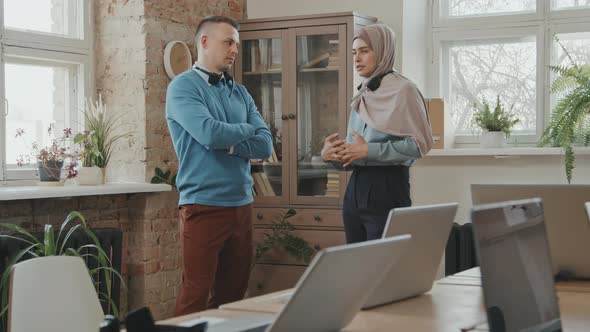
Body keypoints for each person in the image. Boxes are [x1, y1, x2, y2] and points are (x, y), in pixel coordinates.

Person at [165, 15, 272, 316]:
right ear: (204, 41)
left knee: (234, 296)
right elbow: (209, 134)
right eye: (228, 42)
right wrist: (246, 130)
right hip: (202, 205)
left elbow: (265, 144)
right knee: (195, 296)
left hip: (242, 204)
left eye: (236, 44)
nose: (234, 50)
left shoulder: (239, 91)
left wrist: (232, 141)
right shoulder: (182, 88)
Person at [321, 24, 433, 244]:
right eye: (354, 52)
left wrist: (369, 150)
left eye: (364, 51)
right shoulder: (364, 92)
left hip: (387, 188)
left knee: (383, 269)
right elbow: (355, 153)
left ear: (382, 51)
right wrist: (331, 156)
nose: (356, 58)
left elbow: (419, 145)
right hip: (355, 190)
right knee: (357, 265)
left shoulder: (405, 90)